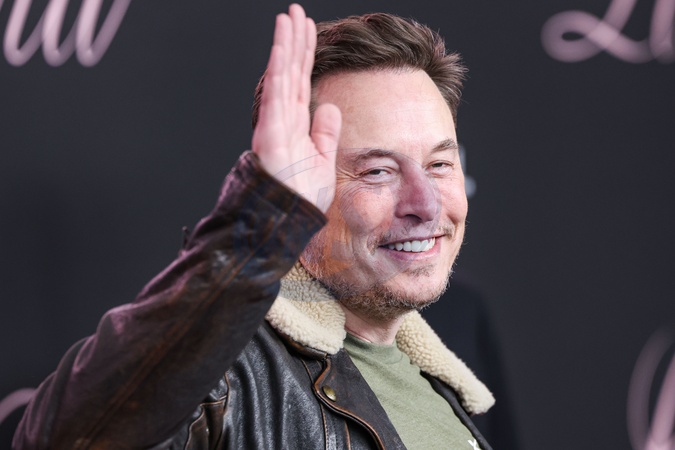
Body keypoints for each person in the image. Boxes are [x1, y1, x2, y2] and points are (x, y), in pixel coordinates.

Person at [13, 4, 495, 449]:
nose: (426, 204)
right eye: (377, 171)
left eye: (439, 164)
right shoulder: (222, 377)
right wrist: (261, 217)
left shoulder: (442, 388)